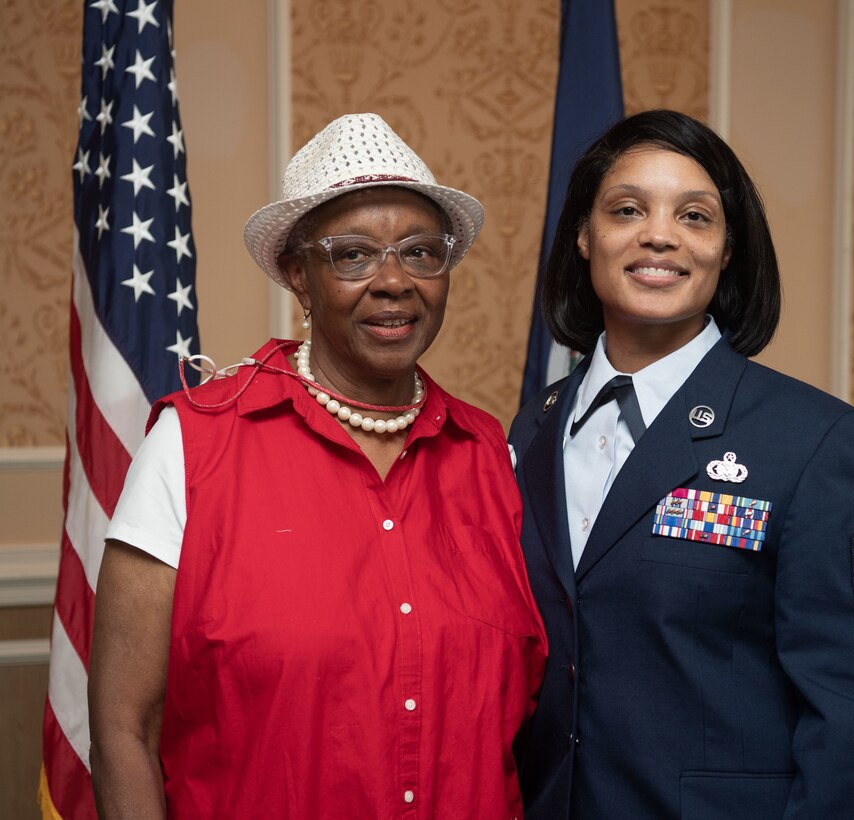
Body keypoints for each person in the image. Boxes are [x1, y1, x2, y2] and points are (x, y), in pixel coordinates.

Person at [88, 113, 547, 819]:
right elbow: (125, 728)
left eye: (421, 252)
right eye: (353, 255)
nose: (394, 281)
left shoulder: (491, 456)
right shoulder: (192, 447)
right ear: (299, 276)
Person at [509, 110, 854, 819]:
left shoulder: (814, 440)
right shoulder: (531, 429)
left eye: (695, 216)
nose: (658, 234)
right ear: (581, 235)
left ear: (726, 252)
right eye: (626, 209)